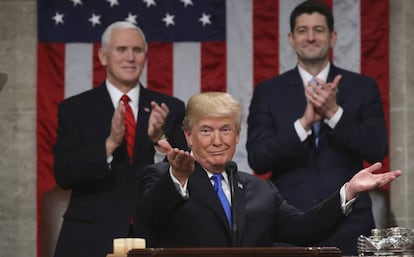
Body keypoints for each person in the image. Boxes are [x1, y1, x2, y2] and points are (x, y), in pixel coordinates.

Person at [134, 92, 400, 249]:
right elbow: (147, 220)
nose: (217, 140)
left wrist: (348, 190)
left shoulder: (260, 190)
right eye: (206, 131)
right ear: (188, 136)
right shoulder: (162, 177)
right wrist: (177, 178)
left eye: (225, 129)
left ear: (237, 135)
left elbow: (304, 230)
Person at [246, 1, 388, 255]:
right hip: (288, 224)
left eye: (319, 30)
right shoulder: (268, 92)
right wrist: (304, 124)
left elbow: (377, 149)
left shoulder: (362, 87)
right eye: (302, 30)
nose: (310, 37)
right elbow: (258, 159)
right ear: (291, 38)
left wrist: (334, 113)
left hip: (350, 223)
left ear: (333, 37)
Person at [52, 21, 187, 257]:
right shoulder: (75, 109)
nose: (130, 57)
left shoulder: (170, 109)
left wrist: (159, 140)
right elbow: (64, 174)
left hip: (154, 234)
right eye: (121, 49)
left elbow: (184, 177)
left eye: (137, 50)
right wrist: (110, 145)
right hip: (90, 237)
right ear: (103, 57)